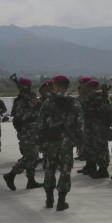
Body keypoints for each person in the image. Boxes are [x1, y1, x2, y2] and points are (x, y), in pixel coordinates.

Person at [38, 75, 84, 210]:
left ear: (55, 86)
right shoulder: (74, 102)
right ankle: (61, 202)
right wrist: (81, 143)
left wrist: (39, 141)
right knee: (65, 171)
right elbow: (80, 124)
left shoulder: (47, 102)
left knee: (49, 170)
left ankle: (49, 200)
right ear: (66, 86)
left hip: (50, 141)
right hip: (67, 142)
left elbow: (40, 124)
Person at [4, 77, 43, 190]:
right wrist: (36, 108)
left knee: (34, 158)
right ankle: (11, 175)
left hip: (34, 131)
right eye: (25, 86)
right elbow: (22, 116)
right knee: (30, 156)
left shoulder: (31, 98)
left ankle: (31, 181)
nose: (27, 88)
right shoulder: (20, 101)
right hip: (26, 132)